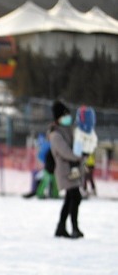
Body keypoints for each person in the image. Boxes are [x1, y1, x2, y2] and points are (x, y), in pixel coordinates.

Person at [49, 100, 85, 238]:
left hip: (72, 169)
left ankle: (61, 227)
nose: (67, 117)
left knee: (71, 198)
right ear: (58, 117)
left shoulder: (68, 130)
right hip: (65, 171)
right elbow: (65, 152)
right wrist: (78, 157)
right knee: (75, 197)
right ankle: (74, 228)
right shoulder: (55, 134)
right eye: (65, 115)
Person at [74, 105, 97, 197]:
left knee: (86, 176)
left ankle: (85, 190)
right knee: (85, 176)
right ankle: (85, 189)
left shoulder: (88, 134)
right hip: (85, 159)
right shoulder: (90, 134)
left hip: (87, 160)